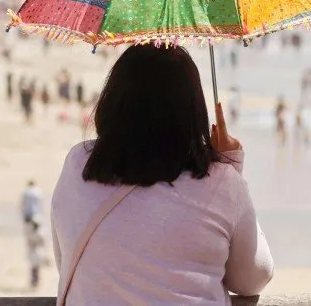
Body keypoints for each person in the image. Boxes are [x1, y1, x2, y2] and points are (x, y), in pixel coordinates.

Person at [50, 44, 273, 304]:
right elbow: (252, 279)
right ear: (192, 110)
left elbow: (67, 260)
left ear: (114, 100)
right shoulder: (222, 183)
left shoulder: (78, 164)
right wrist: (230, 168)